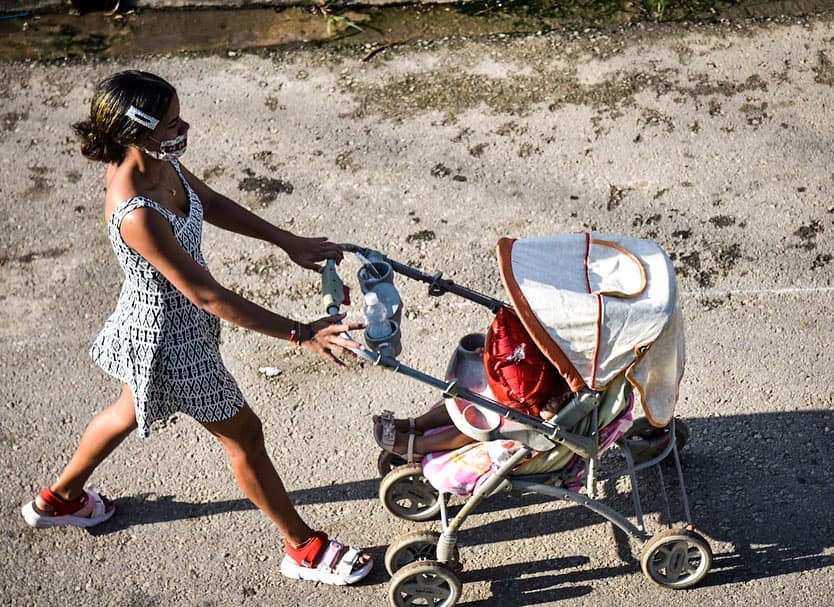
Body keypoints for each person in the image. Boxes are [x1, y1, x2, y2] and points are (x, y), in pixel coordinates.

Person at [20, 70, 372, 586]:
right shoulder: (135, 210)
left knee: (125, 410)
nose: (182, 126)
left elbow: (210, 201)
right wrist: (302, 333)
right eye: (170, 122)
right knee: (246, 437)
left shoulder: (160, 161)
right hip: (173, 340)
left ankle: (58, 500)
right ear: (135, 130)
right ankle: (303, 549)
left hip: (159, 321)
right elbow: (208, 295)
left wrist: (286, 240)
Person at [374, 307, 573, 461]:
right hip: (533, 387)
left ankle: (419, 446)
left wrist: (552, 415)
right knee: (470, 396)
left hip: (533, 423)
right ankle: (416, 424)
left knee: (483, 419)